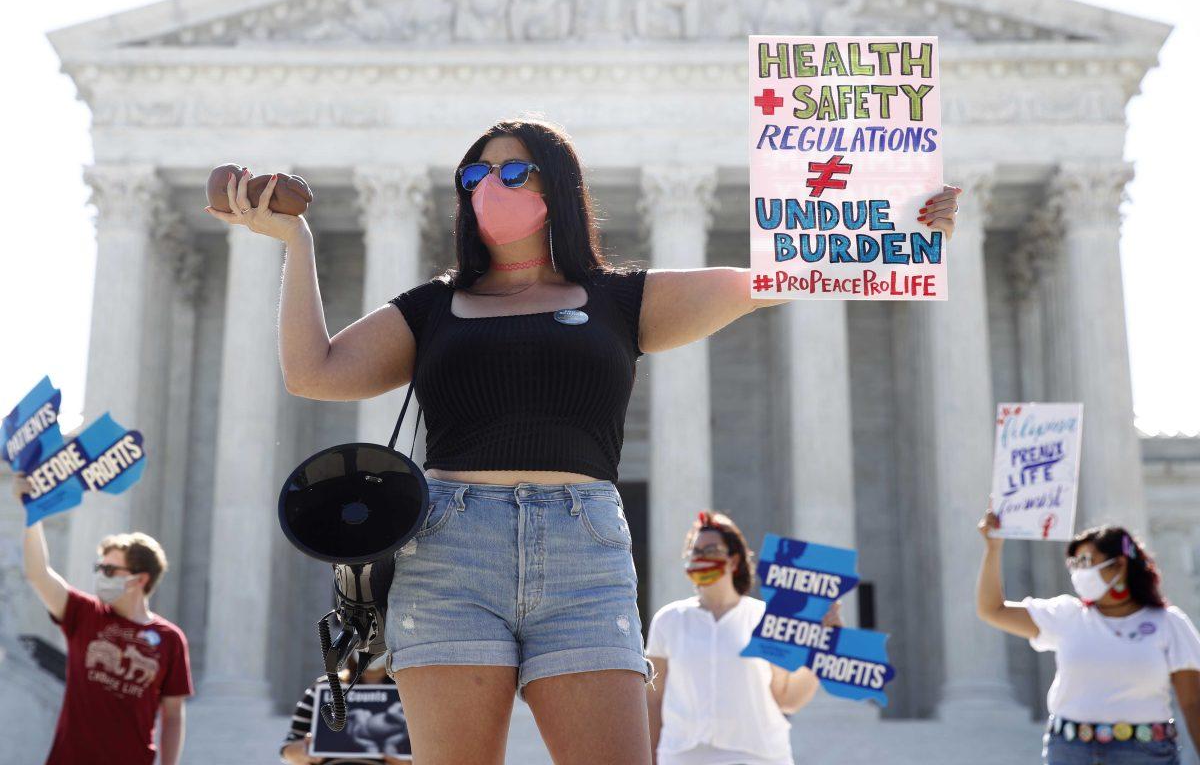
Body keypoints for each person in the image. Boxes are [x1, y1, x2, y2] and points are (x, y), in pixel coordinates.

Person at [204, 116, 960, 765]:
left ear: (556, 185)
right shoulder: (433, 306)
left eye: (511, 168)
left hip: (582, 553)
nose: (487, 184)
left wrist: (900, 229)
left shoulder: (621, 300)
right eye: (475, 171)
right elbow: (315, 372)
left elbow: (775, 275)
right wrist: (294, 244)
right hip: (450, 551)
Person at [976, 510, 1200, 764]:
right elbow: (992, 610)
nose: (1078, 571)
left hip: (1144, 753)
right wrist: (993, 549)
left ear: (1120, 564)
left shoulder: (1168, 623)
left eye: (1085, 561)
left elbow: (1193, 702)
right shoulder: (1067, 615)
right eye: (1074, 563)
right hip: (1071, 751)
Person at [12, 473, 193, 765]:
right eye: (100, 567)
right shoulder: (83, 614)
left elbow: (173, 714)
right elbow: (38, 573)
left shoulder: (170, 639)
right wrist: (31, 514)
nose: (100, 576)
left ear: (140, 579)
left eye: (110, 570)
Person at [646, 511, 841, 765]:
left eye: (712, 550)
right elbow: (653, 701)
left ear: (734, 560)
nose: (702, 557)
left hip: (757, 756)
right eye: (696, 552)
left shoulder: (764, 619)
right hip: (683, 757)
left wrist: (822, 648)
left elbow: (787, 698)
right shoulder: (668, 620)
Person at [280, 653, 410, 765]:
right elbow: (287, 749)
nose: (371, 646)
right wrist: (305, 750)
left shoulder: (411, 691)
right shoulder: (323, 688)